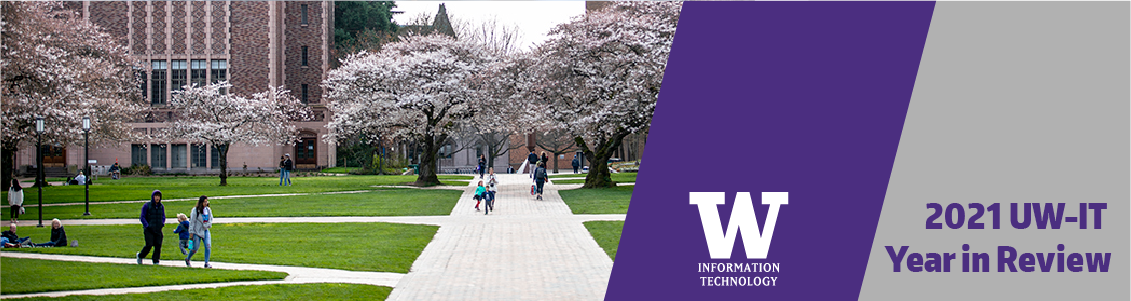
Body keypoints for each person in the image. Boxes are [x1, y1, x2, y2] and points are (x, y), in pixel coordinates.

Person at [137, 190, 165, 265]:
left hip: (158, 229)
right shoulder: (147, 205)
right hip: (149, 229)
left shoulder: (161, 206)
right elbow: (142, 217)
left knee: (158, 245)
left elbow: (163, 216)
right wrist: (147, 225)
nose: (157, 198)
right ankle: (140, 256)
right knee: (149, 245)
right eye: (156, 196)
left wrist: (162, 223)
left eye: (158, 196)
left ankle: (156, 260)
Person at [187, 195, 214, 268]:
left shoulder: (208, 210)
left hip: (205, 230)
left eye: (206, 201)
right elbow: (192, 221)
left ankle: (206, 262)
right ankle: (188, 258)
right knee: (195, 247)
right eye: (204, 202)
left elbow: (210, 219)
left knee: (208, 246)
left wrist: (207, 225)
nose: (205, 203)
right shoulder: (195, 210)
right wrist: (191, 231)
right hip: (197, 231)